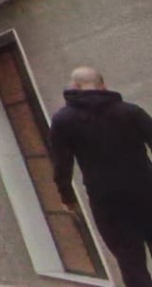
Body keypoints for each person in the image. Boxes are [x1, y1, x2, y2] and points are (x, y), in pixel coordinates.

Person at [50, 66, 152, 287]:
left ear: (75, 87)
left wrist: (67, 198)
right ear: (103, 85)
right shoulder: (130, 111)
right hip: (147, 189)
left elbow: (61, 166)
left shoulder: (63, 121)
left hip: (106, 200)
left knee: (129, 260)